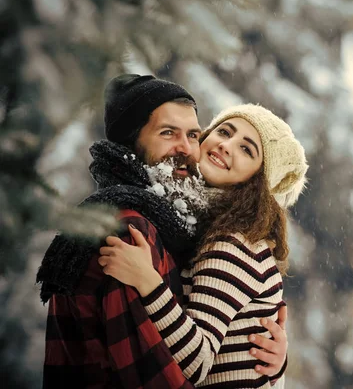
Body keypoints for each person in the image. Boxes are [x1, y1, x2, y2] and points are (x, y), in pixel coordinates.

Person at [36, 75, 287, 389]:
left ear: (256, 182)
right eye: (168, 132)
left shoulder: (186, 229)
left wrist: (268, 365)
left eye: (193, 134)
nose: (185, 148)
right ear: (132, 141)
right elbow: (153, 375)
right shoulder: (130, 230)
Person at [97, 104, 308, 388]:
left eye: (247, 150)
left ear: (256, 182)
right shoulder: (203, 225)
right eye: (224, 131)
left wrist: (146, 279)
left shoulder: (232, 244)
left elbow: (197, 362)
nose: (226, 145)